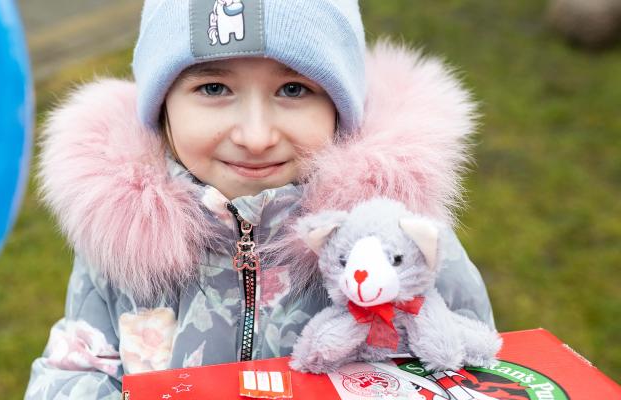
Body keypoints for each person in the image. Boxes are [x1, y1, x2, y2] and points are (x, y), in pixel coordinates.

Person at [25, 1, 496, 398]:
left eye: (293, 89)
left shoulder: (402, 240)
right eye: (214, 88)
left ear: (339, 106)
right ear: (163, 104)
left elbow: (476, 367)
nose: (255, 136)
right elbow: (75, 370)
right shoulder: (120, 232)